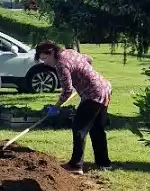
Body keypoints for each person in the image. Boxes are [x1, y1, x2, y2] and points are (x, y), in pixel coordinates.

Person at [34, 39, 112, 173]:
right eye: (42, 60)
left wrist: (56, 106)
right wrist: (84, 75)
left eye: (46, 59)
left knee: (79, 128)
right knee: (97, 128)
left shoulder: (60, 64)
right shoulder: (69, 52)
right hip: (105, 88)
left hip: (93, 94)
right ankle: (104, 163)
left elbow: (67, 90)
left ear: (52, 52)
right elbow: (89, 58)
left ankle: (76, 165)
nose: (45, 63)